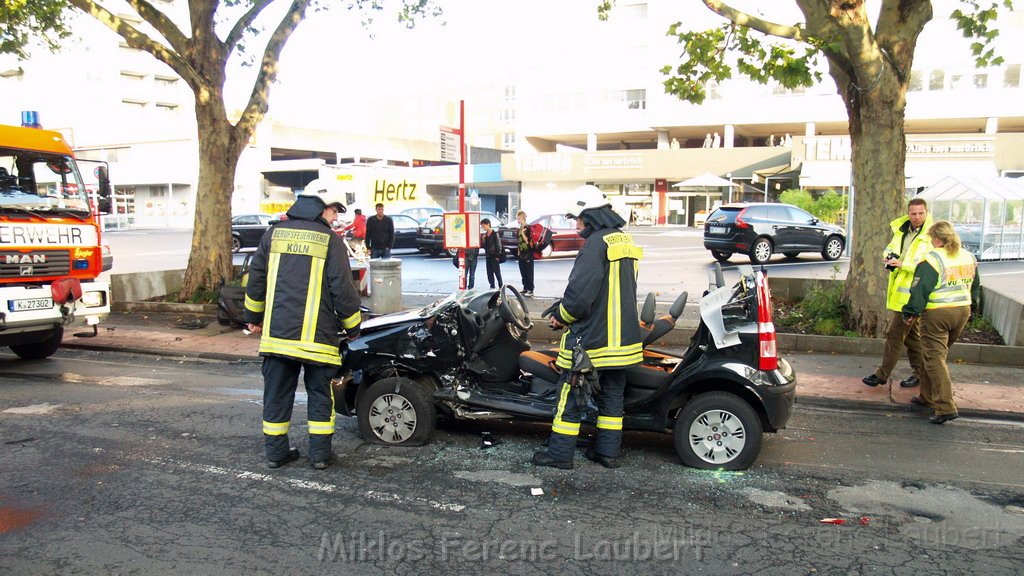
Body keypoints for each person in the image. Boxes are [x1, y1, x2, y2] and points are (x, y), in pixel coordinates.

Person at [244, 179, 362, 470]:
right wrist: (353, 328)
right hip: (318, 340)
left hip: (277, 338)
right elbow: (343, 291)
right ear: (322, 208)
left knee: (276, 396)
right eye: (334, 210)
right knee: (320, 396)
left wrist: (253, 318)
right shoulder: (331, 241)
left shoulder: (273, 234)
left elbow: (256, 278)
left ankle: (275, 454)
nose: (335, 217)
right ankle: (320, 456)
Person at [532, 185, 643, 470]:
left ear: (590, 216)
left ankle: (559, 455)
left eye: (577, 218)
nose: (576, 224)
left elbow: (580, 298)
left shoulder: (595, 243)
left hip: (592, 341)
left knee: (569, 396)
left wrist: (561, 316)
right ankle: (607, 453)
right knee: (612, 398)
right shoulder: (625, 241)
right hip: (624, 341)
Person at [902, 220, 980, 424]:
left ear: (936, 239)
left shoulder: (932, 259)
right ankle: (926, 398)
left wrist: (910, 312)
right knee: (933, 355)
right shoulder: (967, 256)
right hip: (962, 311)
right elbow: (975, 286)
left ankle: (946, 406)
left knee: (935, 358)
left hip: (937, 313)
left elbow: (920, 289)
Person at [863, 198, 932, 389]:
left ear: (927, 212)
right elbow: (891, 249)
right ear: (908, 213)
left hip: (915, 294)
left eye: (921, 213)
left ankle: (881, 374)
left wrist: (903, 264)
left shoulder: (931, 235)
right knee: (912, 337)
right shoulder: (901, 230)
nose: (917, 217)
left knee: (894, 334)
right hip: (901, 292)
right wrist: (889, 259)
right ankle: (920, 374)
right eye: (913, 213)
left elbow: (929, 264)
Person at [515, 210, 535, 297]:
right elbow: (519, 241)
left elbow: (527, 241)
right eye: (517, 218)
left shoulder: (527, 228)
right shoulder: (520, 228)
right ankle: (525, 287)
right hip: (522, 254)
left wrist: (523, 232)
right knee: (523, 272)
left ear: (523, 218)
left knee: (529, 272)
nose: (518, 220)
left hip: (528, 253)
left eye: (519, 218)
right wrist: (518, 252)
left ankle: (530, 289)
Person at [481, 218, 503, 289]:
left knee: (497, 272)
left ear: (488, 224)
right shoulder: (486, 235)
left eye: (484, 226)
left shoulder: (495, 234)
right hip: (488, 256)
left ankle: (501, 286)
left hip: (494, 256)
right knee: (489, 273)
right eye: (482, 226)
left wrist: (497, 255)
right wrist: (484, 239)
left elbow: (499, 245)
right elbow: (484, 246)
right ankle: (492, 286)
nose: (483, 228)